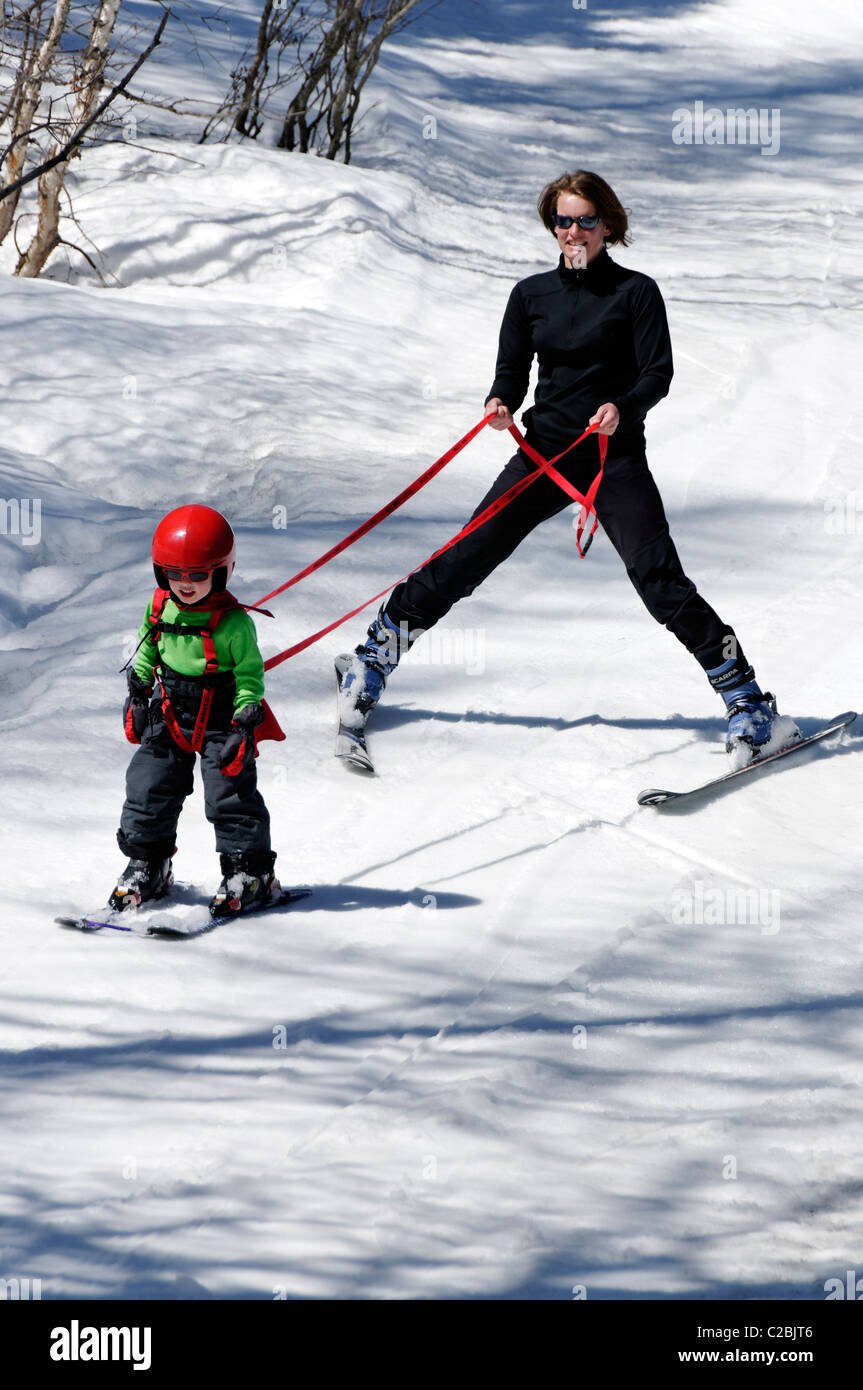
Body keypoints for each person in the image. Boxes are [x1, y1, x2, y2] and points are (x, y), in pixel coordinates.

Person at [337, 169, 789, 760]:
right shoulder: (530, 295)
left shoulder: (637, 293)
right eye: (562, 220)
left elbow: (659, 374)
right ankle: (371, 662)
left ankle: (751, 704)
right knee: (464, 558)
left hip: (611, 457)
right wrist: (499, 403)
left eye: (584, 220)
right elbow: (510, 372)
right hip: (543, 455)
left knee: (659, 580)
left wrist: (621, 409)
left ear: (608, 225)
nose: (573, 231)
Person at [111, 504, 282, 917]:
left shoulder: (234, 623)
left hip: (222, 717)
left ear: (220, 572)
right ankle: (148, 864)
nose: (184, 585)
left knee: (230, 791)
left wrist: (245, 717)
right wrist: (139, 687)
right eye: (175, 574)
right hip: (169, 711)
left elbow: (249, 674)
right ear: (160, 572)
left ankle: (249, 872)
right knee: (148, 784)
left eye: (197, 575)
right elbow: (147, 645)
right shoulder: (160, 606)